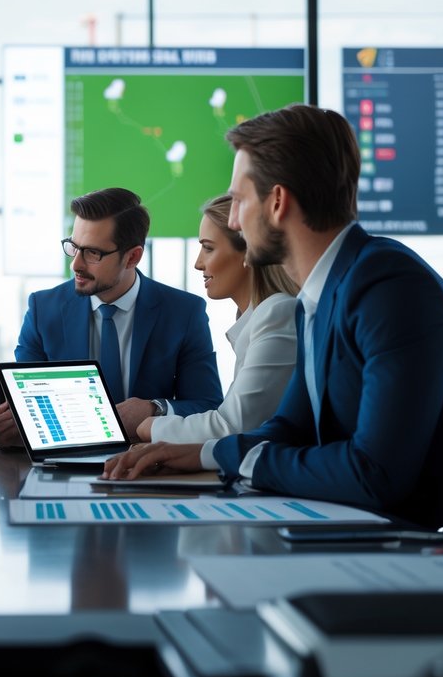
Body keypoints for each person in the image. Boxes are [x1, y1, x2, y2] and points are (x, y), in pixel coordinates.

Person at [109, 104, 443, 529]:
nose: (234, 220)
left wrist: (238, 457)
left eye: (238, 201)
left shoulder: (389, 288)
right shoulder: (324, 294)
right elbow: (288, 427)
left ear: (277, 203)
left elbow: (375, 473)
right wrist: (201, 453)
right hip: (390, 538)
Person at [0, 186, 222, 446]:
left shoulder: (183, 312)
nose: (76, 264)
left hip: (147, 466)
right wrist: (8, 425)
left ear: (133, 257)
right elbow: (25, 407)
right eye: (74, 247)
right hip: (63, 466)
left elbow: (208, 406)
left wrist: (155, 409)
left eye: (93, 253)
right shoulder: (43, 309)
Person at [103, 193, 298, 478]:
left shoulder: (277, 314)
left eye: (208, 248)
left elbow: (231, 427)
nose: (197, 263)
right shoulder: (257, 319)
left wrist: (149, 424)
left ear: (249, 252)